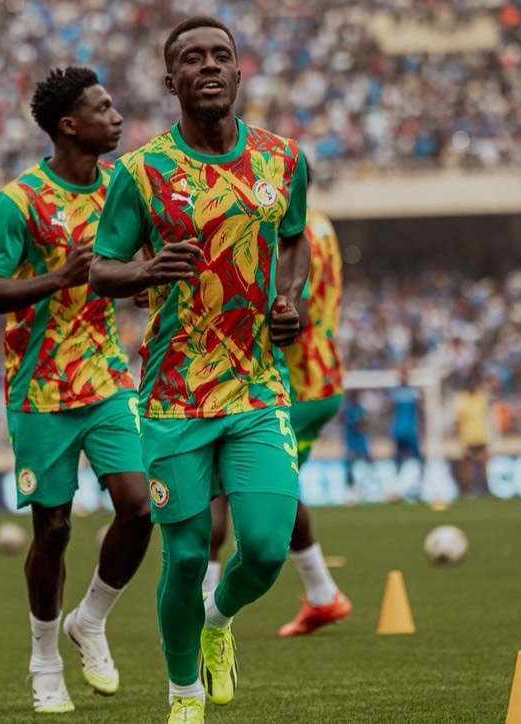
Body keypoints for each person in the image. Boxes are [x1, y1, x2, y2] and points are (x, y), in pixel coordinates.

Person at [89, 17, 307, 724]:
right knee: (183, 557)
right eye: (191, 57)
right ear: (170, 80)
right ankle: (184, 695)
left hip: (258, 388)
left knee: (269, 550)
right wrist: (146, 270)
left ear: (240, 74)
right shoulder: (140, 172)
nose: (208, 65)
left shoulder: (284, 160)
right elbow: (99, 269)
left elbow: (296, 237)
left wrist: (289, 295)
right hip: (175, 395)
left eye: (221, 56)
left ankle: (218, 621)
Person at [0, 67, 152, 714]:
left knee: (139, 506)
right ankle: (44, 657)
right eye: (103, 108)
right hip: (39, 386)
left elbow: (130, 273)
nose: (117, 116)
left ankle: (92, 618)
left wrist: (148, 278)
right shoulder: (20, 201)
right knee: (51, 531)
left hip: (106, 375)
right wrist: (54, 278)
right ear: (69, 125)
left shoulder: (123, 188)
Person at [203, 203, 352, 638]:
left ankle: (204, 606)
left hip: (289, 383)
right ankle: (323, 595)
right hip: (323, 376)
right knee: (276, 489)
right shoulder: (322, 225)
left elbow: (292, 310)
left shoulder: (288, 233)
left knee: (225, 483)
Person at [453, 370, 491, 496]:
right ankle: (466, 489)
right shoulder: (462, 399)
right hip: (467, 436)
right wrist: (460, 439)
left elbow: (485, 417)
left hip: (480, 435)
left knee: (484, 463)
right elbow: (458, 421)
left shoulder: (481, 398)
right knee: (467, 464)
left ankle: (486, 488)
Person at [390, 365, 422, 468]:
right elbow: (391, 412)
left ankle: (420, 476)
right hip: (399, 428)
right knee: (398, 456)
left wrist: (421, 426)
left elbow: (419, 411)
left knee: (417, 455)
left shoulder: (414, 392)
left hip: (410, 429)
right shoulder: (395, 393)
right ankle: (397, 475)